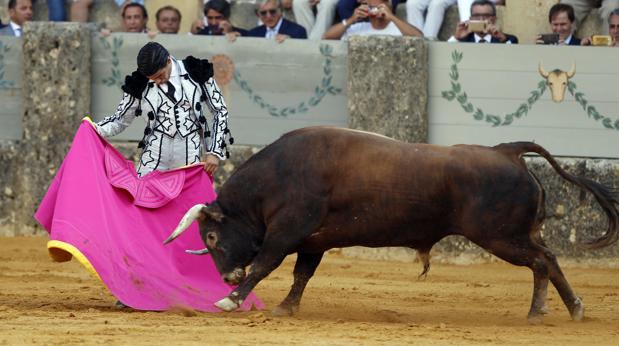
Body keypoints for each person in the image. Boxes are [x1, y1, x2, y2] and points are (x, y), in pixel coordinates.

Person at [95, 42, 231, 177]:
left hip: (189, 149)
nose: (158, 81)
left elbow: (220, 110)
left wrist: (214, 151)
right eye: (153, 79)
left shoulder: (196, 71)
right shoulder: (140, 82)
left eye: (160, 75)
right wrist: (95, 129)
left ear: (168, 60)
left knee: (189, 197)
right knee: (141, 195)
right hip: (155, 150)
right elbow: (120, 119)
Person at [323, 0, 422, 39]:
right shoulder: (358, 28)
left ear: (389, 6)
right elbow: (326, 37)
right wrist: (351, 20)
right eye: (372, 7)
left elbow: (419, 37)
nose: (376, 10)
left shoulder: (399, 28)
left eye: (380, 6)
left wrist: (392, 17)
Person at [450, 0, 518, 43]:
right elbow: (446, 56)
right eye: (476, 16)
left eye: (486, 16)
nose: (481, 20)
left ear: (494, 19)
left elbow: (513, 58)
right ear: (470, 19)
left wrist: (502, 40)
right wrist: (456, 38)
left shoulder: (509, 39)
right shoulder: (463, 40)